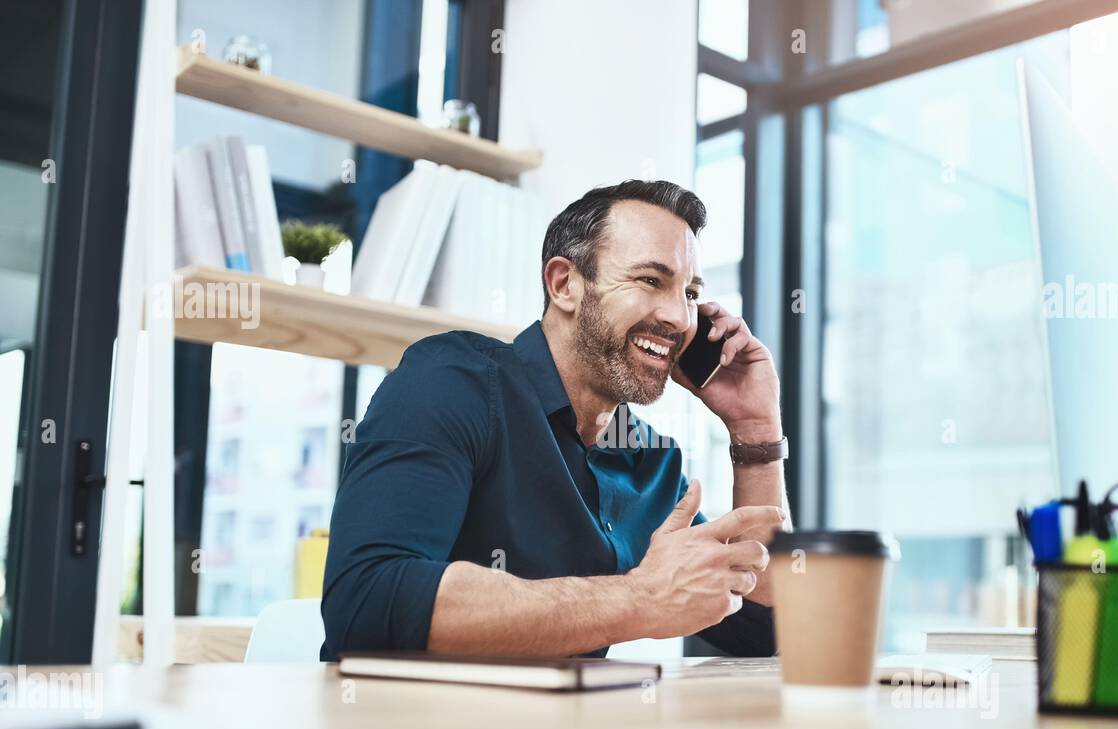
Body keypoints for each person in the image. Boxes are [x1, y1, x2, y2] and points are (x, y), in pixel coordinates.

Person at [321, 180, 790, 661]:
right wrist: (641, 599)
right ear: (564, 284)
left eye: (690, 293)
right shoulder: (452, 382)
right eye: (651, 280)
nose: (678, 316)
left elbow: (768, 630)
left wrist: (755, 431)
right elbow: (366, 604)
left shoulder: (651, 464)